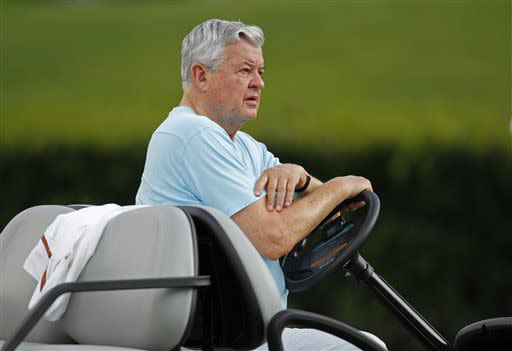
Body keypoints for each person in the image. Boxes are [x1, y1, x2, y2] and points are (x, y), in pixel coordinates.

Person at [135, 19, 386, 351]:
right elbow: (274, 237)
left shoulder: (243, 146)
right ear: (201, 76)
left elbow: (335, 206)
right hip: (215, 339)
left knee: (367, 344)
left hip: (250, 332)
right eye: (244, 71)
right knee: (366, 348)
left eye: (261, 72)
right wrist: (342, 184)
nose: (259, 84)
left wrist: (302, 177)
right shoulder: (192, 134)